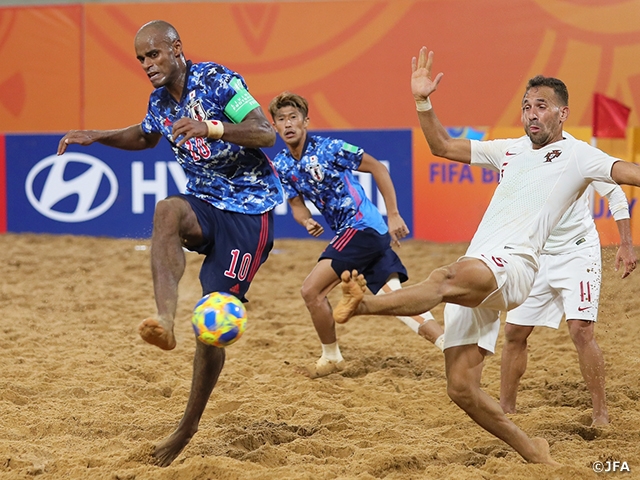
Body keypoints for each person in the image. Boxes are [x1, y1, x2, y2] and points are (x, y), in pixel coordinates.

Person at [331, 46, 640, 465]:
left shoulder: (578, 154)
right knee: (460, 389)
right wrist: (422, 100)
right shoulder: (508, 150)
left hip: (514, 267)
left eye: (542, 106)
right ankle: (534, 452)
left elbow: (627, 174)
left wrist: (625, 238)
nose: (532, 114)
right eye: (527, 106)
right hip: (481, 266)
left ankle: (365, 304)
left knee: (443, 278)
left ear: (562, 114)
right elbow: (440, 145)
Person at [57, 20, 283, 467]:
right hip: (204, 204)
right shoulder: (159, 101)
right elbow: (146, 135)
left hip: (249, 213)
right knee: (166, 210)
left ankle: (187, 427)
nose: (146, 64)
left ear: (176, 49)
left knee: (211, 324)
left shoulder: (220, 80)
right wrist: (97, 136)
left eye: (153, 54)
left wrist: (211, 128)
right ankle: (163, 319)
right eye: (140, 58)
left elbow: (265, 132)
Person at [268, 91, 444, 378]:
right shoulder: (283, 165)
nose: (288, 124)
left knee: (311, 291)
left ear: (306, 122)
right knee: (396, 300)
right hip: (362, 234)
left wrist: (394, 213)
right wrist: (306, 222)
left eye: (293, 117)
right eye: (281, 119)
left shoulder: (329, 149)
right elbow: (297, 206)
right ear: (274, 126)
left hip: (362, 227)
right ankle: (448, 344)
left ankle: (332, 356)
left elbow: (376, 167)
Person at [500, 182, 636, 425]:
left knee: (581, 329)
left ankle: (600, 413)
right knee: (513, 331)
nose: (535, 139)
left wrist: (626, 243)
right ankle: (505, 410)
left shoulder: (579, 154)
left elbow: (615, 191)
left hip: (578, 252)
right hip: (535, 252)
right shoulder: (521, 155)